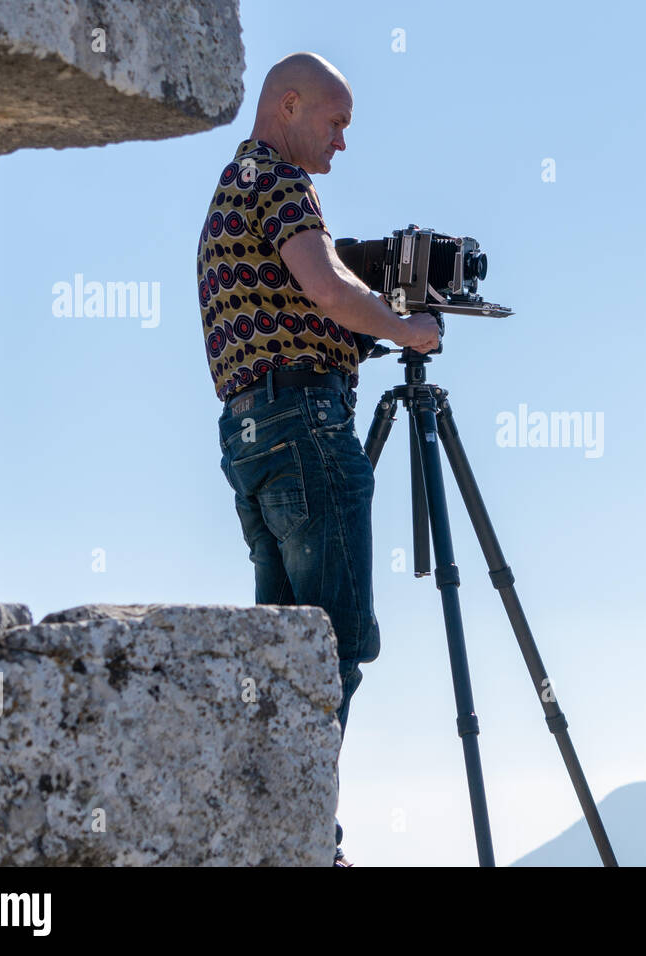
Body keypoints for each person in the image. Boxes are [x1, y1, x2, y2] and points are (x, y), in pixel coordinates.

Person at [199, 52, 439, 866]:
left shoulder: (234, 189)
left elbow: (305, 305)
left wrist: (353, 329)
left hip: (253, 436)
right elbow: (329, 289)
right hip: (304, 430)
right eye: (335, 124)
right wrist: (409, 330)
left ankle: (274, 832)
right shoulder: (280, 182)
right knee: (335, 647)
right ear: (288, 105)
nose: (342, 144)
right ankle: (308, 842)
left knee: (283, 654)